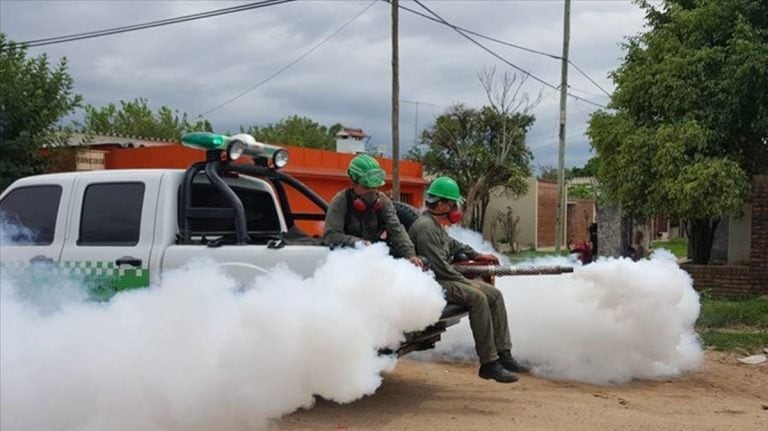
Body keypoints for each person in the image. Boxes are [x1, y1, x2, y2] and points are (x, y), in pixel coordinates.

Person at [408, 176, 527, 383]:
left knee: (495, 295)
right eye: (453, 203)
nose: (455, 208)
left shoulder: (435, 225)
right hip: (433, 283)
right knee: (478, 298)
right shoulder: (426, 227)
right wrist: (467, 283)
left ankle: (503, 353)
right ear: (442, 204)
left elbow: (453, 245)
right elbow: (439, 268)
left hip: (444, 278)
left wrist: (476, 255)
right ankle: (488, 364)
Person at [323, 154, 423, 267]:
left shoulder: (383, 200)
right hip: (347, 263)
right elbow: (331, 236)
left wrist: (410, 255)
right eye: (366, 187)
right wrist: (358, 243)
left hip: (373, 262)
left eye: (375, 187)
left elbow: (396, 229)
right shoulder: (340, 201)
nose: (372, 192)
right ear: (352, 183)